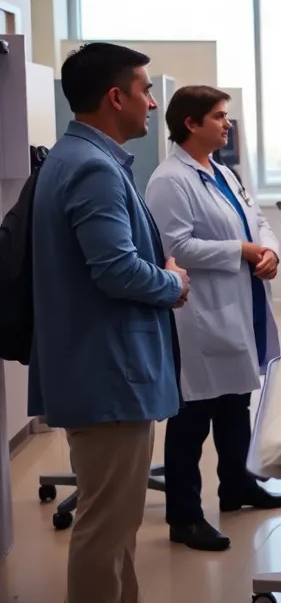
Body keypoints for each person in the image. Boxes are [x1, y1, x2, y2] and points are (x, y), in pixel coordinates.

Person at [29, 42, 190, 603]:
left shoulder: (75, 158)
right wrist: (173, 283)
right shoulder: (93, 168)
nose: (152, 103)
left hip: (100, 369)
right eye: (145, 91)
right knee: (106, 529)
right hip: (109, 375)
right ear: (115, 96)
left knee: (117, 528)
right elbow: (117, 270)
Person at [145, 86, 281, 552]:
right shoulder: (169, 179)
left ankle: (237, 486)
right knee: (192, 416)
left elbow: (258, 220)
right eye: (220, 117)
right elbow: (176, 247)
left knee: (234, 403)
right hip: (201, 312)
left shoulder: (222, 171)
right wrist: (242, 251)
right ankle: (184, 516)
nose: (227, 124)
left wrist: (267, 250)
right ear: (191, 123)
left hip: (239, 300)